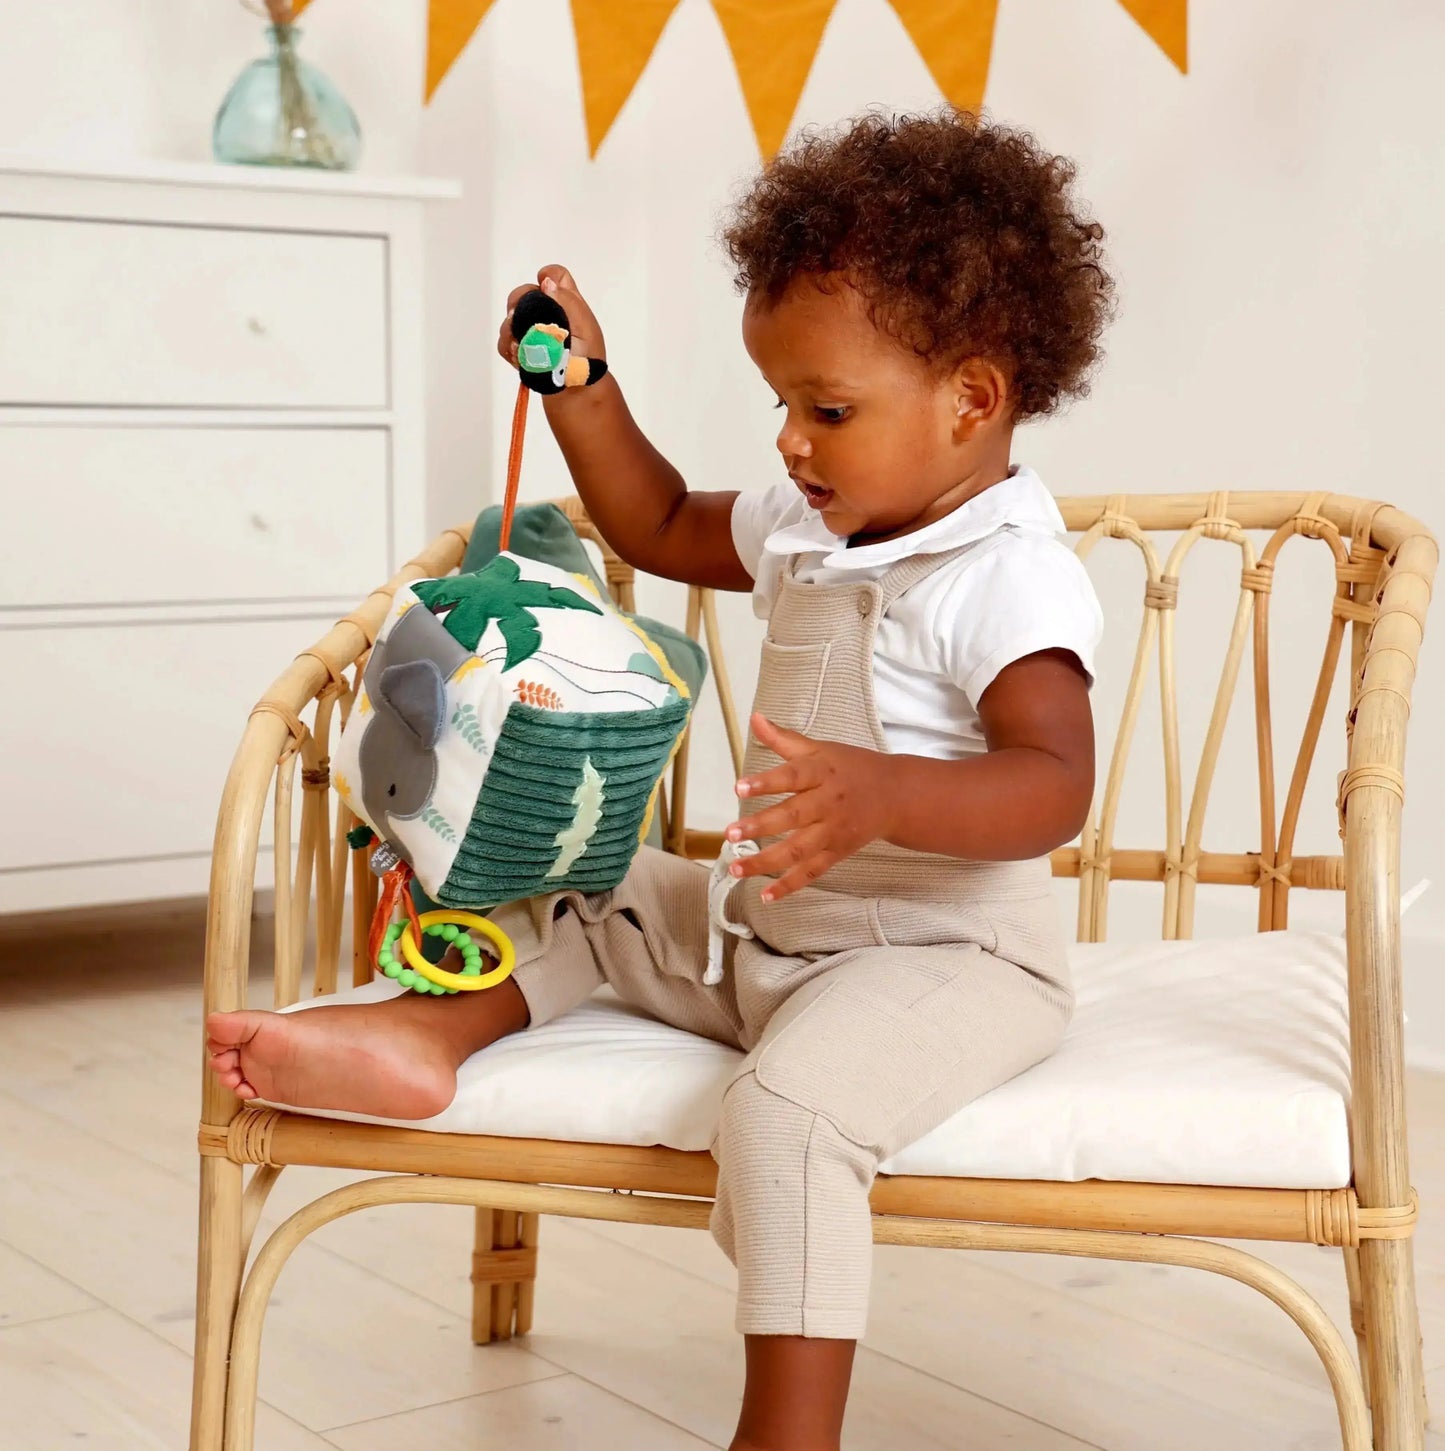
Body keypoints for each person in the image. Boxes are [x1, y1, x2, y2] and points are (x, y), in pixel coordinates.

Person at [208, 108, 1112, 1451]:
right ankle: (424, 1035)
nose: (792, 445)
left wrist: (886, 797)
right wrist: (583, 387)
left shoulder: (1006, 573)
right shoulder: (818, 521)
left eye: (827, 408)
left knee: (791, 1116)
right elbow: (656, 522)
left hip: (943, 957)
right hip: (764, 930)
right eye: (780, 406)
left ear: (971, 400)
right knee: (580, 883)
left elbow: (1051, 783)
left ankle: (786, 1431)